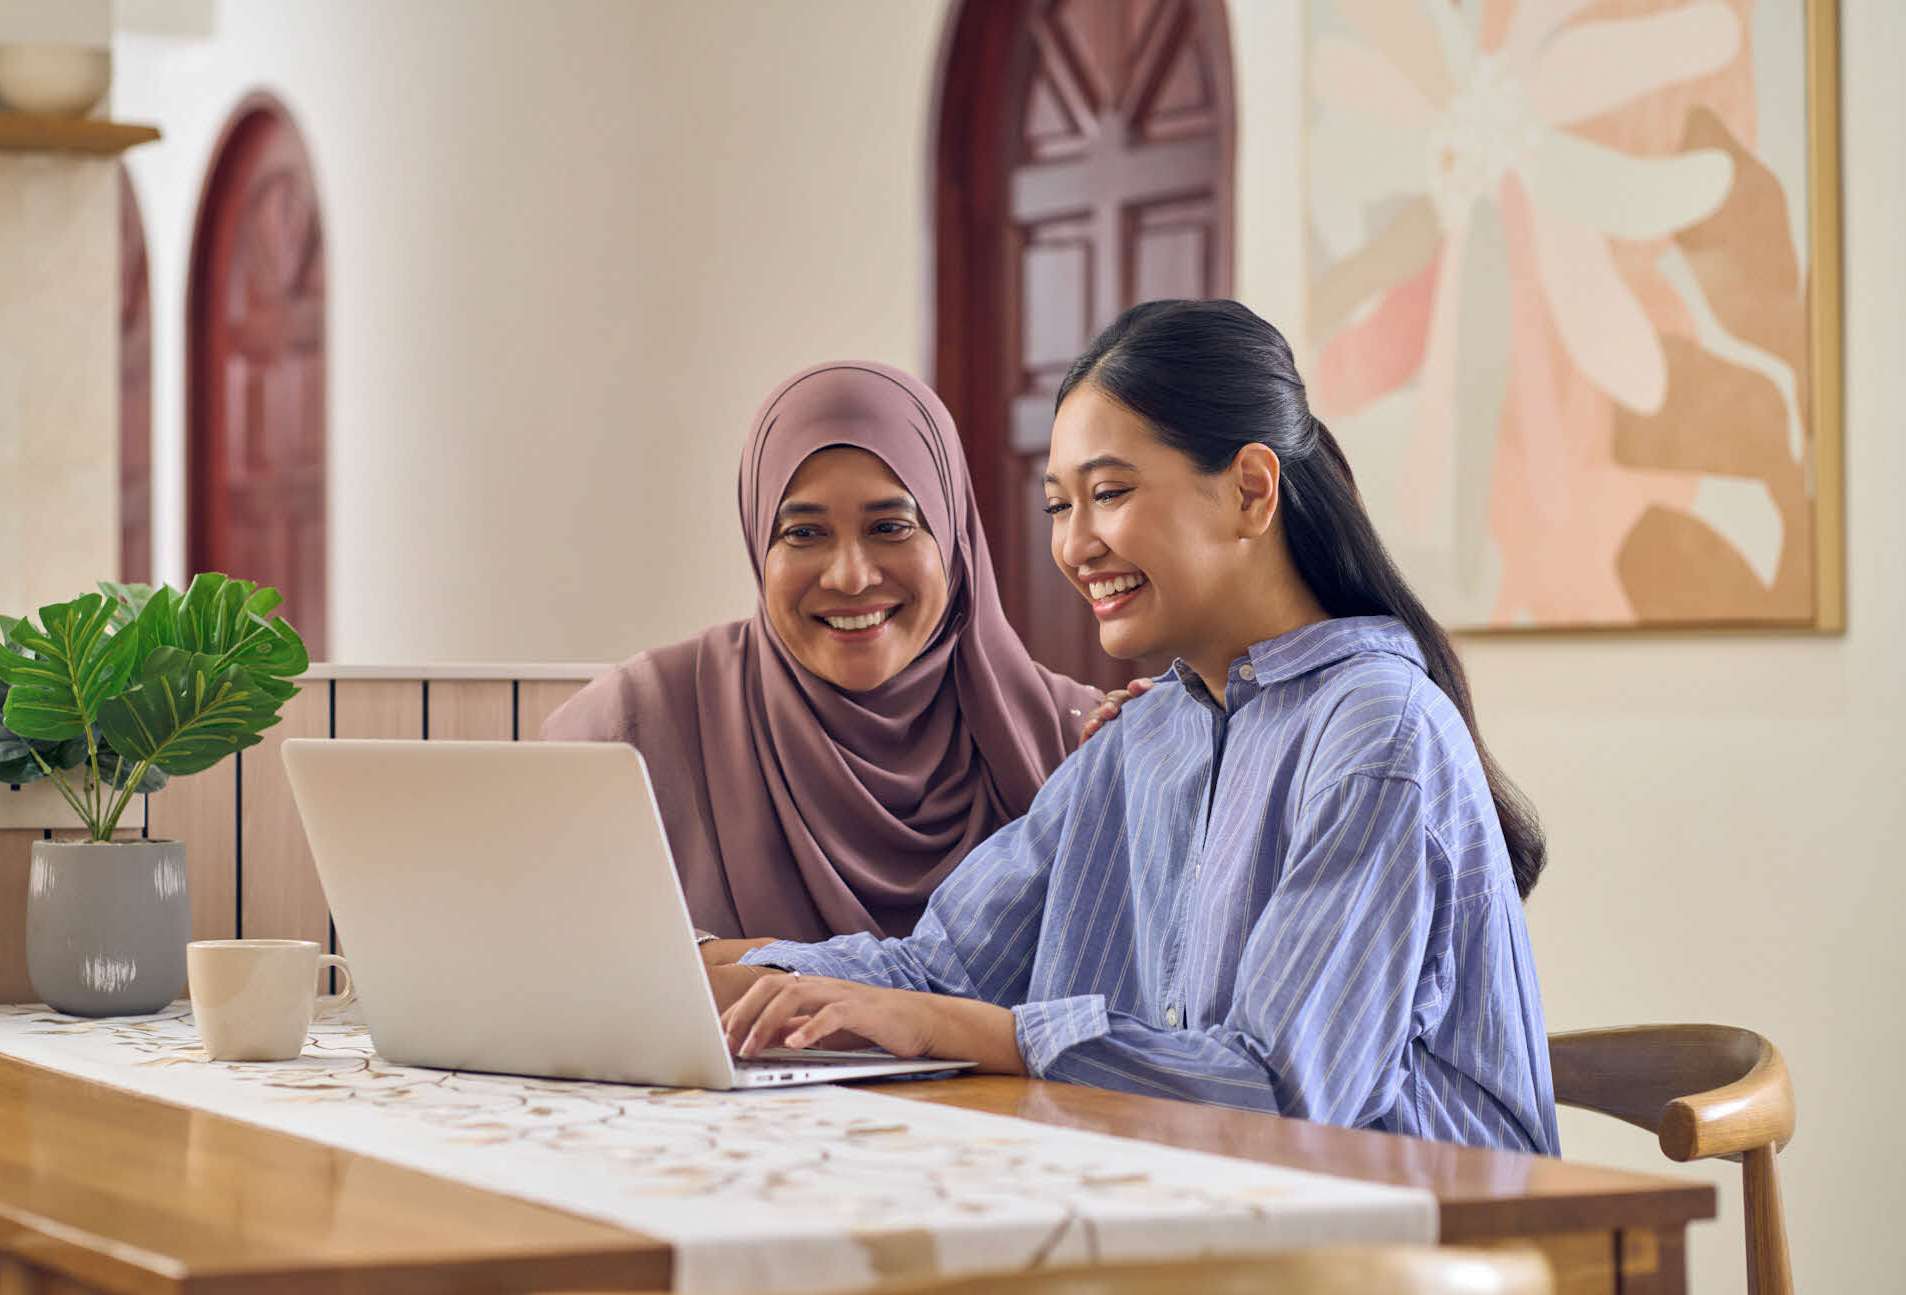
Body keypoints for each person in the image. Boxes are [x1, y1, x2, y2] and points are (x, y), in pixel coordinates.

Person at [718, 298, 1559, 1155]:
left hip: (1419, 1261)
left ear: (1250, 491)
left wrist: (980, 1032)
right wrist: (706, 972)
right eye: (1058, 506)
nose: (1076, 544)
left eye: (1109, 493)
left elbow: (1282, 1091)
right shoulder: (1145, 733)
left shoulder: (1379, 730)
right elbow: (941, 970)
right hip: (1211, 1223)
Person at [540, 360, 1111, 949]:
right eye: (803, 534)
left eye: (890, 527)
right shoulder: (637, 727)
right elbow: (550, 966)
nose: (851, 577)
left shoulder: (1076, 742)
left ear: (952, 534)